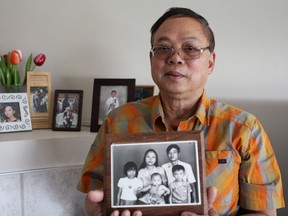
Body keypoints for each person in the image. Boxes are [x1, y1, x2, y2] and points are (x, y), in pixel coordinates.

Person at [78, 7, 285, 216]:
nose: (175, 58)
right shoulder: (117, 121)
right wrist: (98, 210)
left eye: (190, 48)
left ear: (211, 62)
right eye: (163, 48)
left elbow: (265, 213)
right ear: (151, 60)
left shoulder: (244, 129)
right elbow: (93, 198)